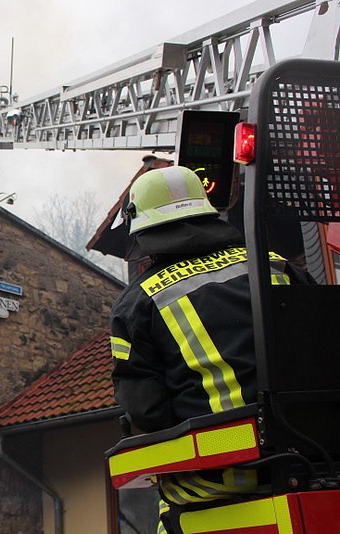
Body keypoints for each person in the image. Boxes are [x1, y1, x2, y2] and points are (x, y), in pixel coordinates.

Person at [109, 165, 310, 533]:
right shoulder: (277, 266)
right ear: (206, 212)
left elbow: (147, 413)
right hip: (311, 462)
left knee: (165, 516)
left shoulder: (137, 304)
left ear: (140, 233)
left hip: (221, 480)